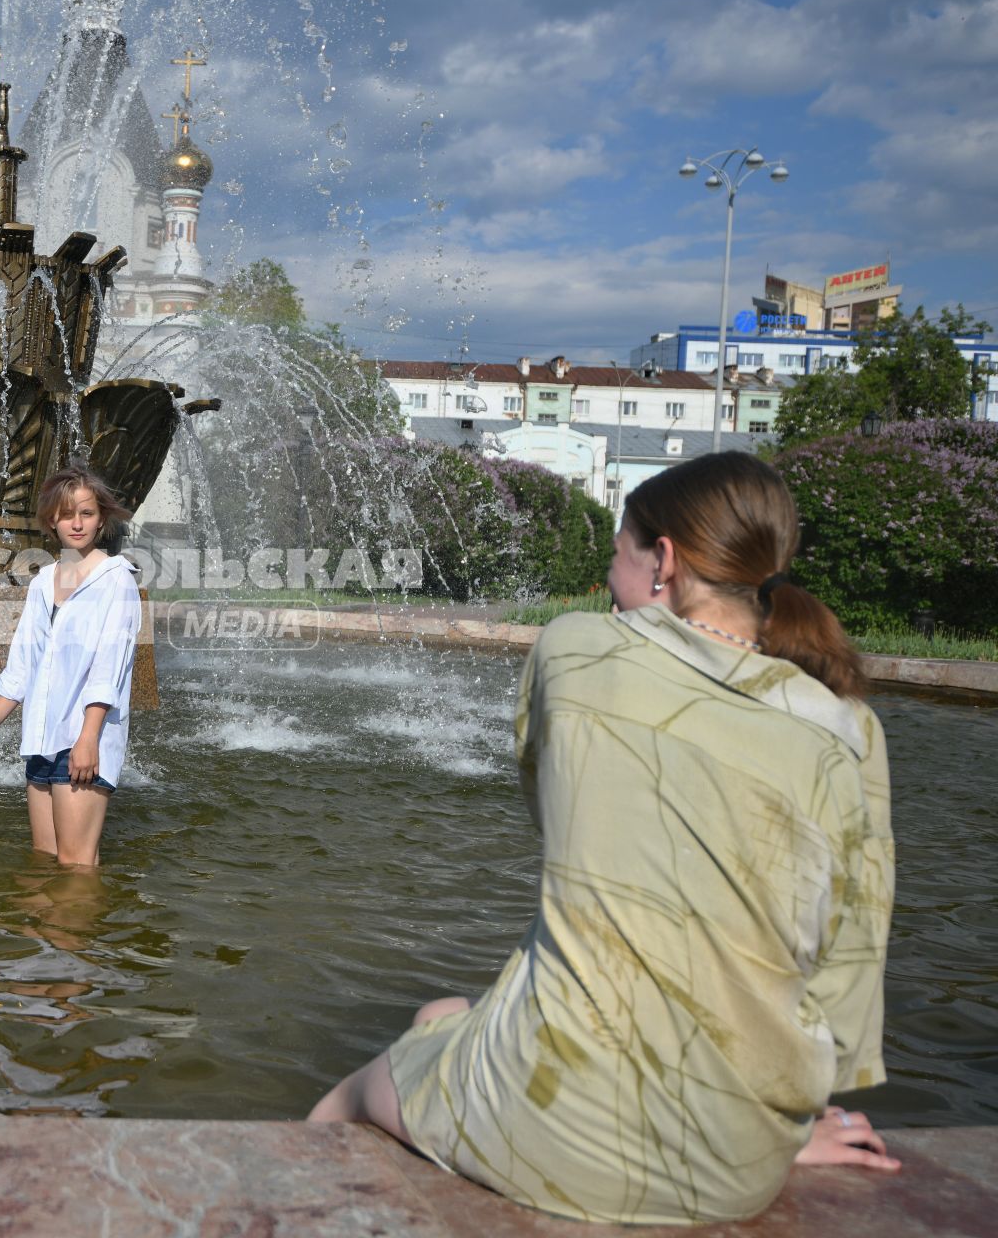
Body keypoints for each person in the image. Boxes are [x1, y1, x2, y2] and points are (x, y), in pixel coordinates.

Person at [308, 452, 898, 1225]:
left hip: (554, 1121)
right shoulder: (847, 724)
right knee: (444, 1013)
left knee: (351, 1096)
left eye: (618, 554)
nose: (606, 578)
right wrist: (782, 1128)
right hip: (737, 1160)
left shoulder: (577, 651)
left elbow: (555, 810)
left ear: (666, 562)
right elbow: (850, 957)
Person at [0, 467, 141, 867]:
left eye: (87, 513)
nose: (77, 524)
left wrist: (88, 738)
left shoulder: (116, 580)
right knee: (44, 860)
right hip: (41, 738)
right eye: (66, 514)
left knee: (76, 865)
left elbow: (109, 667)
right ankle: (49, 931)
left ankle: (73, 931)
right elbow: (24, 662)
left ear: (102, 518)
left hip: (82, 737)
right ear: (51, 521)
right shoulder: (43, 582)